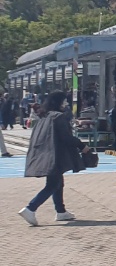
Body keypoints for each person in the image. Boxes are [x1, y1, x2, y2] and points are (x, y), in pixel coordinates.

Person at [18, 92, 84, 225]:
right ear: (58, 102)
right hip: (55, 155)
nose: (66, 104)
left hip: (45, 154)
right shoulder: (58, 117)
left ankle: (61, 211)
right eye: (64, 101)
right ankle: (30, 208)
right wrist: (82, 146)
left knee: (58, 183)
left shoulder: (44, 116)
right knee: (53, 184)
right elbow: (65, 137)